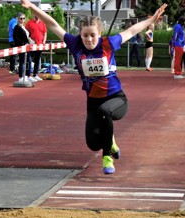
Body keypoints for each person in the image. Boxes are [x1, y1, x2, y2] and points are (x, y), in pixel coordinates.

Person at [20, 0, 167, 174]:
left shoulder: (108, 43)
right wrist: (33, 8)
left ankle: (107, 158)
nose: (89, 39)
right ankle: (109, 140)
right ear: (80, 35)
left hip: (116, 99)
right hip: (93, 101)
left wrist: (152, 20)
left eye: (93, 35)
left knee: (105, 112)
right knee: (93, 143)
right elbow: (53, 25)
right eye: (85, 35)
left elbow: (132, 30)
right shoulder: (75, 45)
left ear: (100, 33)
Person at [25, 15, 47, 82]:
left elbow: (45, 33)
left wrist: (44, 42)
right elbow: (26, 33)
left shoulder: (42, 24)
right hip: (32, 45)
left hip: (40, 44)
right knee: (29, 60)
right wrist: (29, 40)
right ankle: (27, 75)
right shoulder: (29, 23)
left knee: (37, 60)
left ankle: (35, 74)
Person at [13, 12, 31, 83]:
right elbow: (16, 38)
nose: (22, 20)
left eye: (24, 18)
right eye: (21, 18)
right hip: (22, 46)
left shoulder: (24, 27)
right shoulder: (16, 27)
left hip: (27, 46)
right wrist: (23, 43)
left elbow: (28, 35)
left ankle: (27, 75)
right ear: (17, 19)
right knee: (22, 61)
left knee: (28, 61)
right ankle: (21, 76)